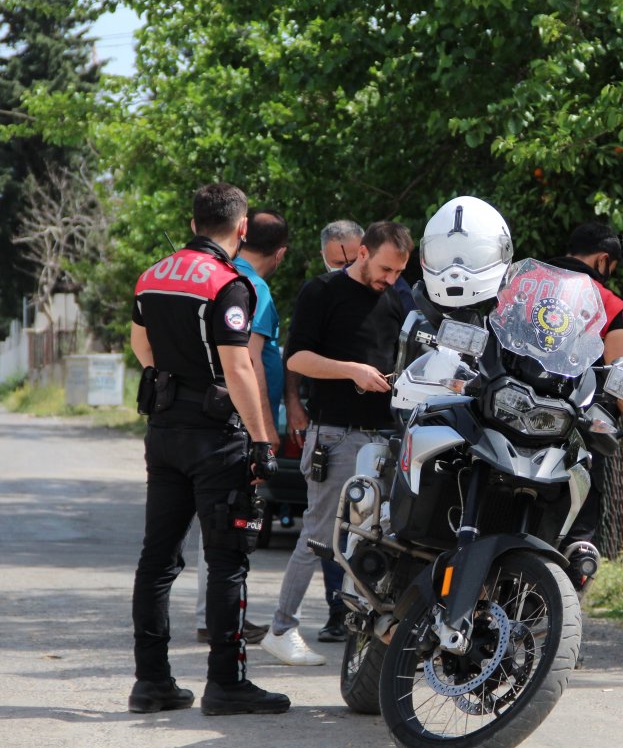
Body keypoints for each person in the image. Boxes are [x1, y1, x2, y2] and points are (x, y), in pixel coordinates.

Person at [128, 182, 289, 716]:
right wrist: (263, 440)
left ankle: (151, 683)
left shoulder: (152, 275)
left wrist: (167, 377)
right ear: (242, 229)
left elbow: (140, 343)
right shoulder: (229, 284)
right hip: (216, 437)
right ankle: (227, 684)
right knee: (226, 561)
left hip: (164, 429)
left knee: (157, 559)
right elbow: (239, 366)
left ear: (193, 219)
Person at [261, 220, 414, 665]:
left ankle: (372, 636)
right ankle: (281, 628)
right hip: (337, 436)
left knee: (381, 540)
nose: (391, 279)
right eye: (386, 268)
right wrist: (352, 371)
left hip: (385, 437)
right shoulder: (322, 292)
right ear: (362, 252)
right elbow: (298, 357)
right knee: (318, 535)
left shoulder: (395, 302)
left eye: (399, 272)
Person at [192, 207, 289, 645]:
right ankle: (222, 619)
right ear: (281, 253)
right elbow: (249, 361)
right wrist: (264, 433)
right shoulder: (256, 287)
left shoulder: (217, 271)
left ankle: (211, 615)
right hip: (237, 419)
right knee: (233, 522)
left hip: (202, 411)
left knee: (213, 520)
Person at [546, 222, 623, 585]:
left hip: (517, 419)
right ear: (604, 260)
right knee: (579, 531)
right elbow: (622, 380)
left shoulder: (532, 287)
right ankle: (568, 595)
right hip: (579, 431)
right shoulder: (608, 303)